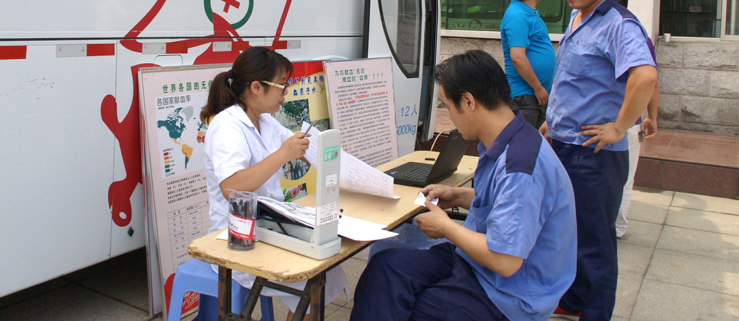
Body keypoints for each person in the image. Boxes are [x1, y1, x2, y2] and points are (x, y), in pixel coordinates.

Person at [350, 50, 577, 321]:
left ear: (469, 101)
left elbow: (505, 261)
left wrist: (445, 226)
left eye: (447, 105)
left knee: (410, 307)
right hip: (476, 264)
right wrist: (458, 195)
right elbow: (506, 205)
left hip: (508, 294)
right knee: (385, 267)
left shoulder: (520, 166)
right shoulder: (510, 136)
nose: (448, 115)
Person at [542, 0, 658, 321]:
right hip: (564, 144)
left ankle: (595, 312)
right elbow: (576, 78)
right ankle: (574, 300)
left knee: (596, 243)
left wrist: (619, 127)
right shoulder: (579, 17)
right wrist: (553, 118)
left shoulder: (619, 24)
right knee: (569, 232)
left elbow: (645, 76)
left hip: (593, 154)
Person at [201, 47, 348, 320]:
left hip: (269, 223)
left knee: (325, 268)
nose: (286, 92)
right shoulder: (226, 127)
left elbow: (300, 143)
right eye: (282, 85)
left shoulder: (265, 121)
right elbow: (231, 187)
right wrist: (283, 154)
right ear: (256, 87)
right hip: (239, 235)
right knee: (312, 276)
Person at [606, 0, 660, 239]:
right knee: (624, 177)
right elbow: (653, 83)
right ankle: (615, 227)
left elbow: (649, 80)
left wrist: (650, 117)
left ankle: (613, 226)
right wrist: (652, 117)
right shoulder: (636, 35)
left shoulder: (625, 34)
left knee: (616, 178)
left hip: (617, 123)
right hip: (620, 123)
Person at [500, 0, 556, 128]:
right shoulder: (517, 16)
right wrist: (537, 87)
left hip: (536, 96)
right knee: (523, 147)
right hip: (525, 97)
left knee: (537, 147)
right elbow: (517, 57)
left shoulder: (529, 13)